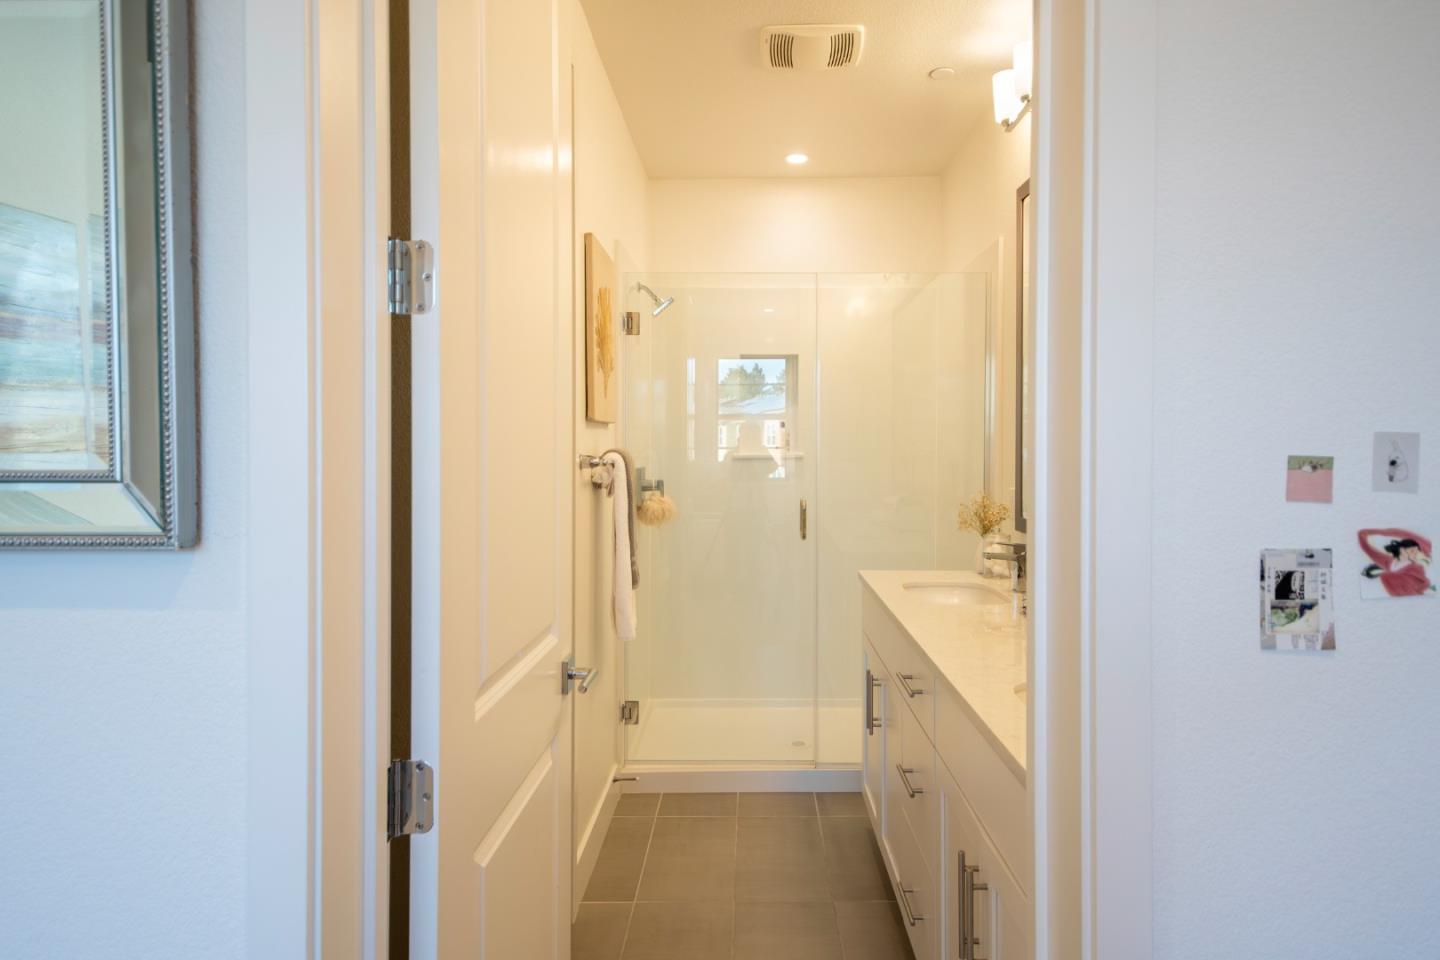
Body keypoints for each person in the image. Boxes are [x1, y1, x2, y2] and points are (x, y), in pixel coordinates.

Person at [1358, 528, 1433, 597]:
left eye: (1417, 551)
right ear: (1402, 550)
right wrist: (1364, 536)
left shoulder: (1416, 567)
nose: (1415, 554)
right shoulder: (1388, 561)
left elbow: (1424, 585)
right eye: (1412, 551)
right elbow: (1370, 551)